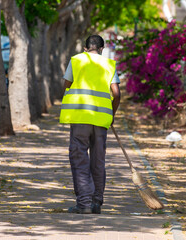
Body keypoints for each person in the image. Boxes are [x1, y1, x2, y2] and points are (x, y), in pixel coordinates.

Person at [59, 35, 121, 214]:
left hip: (80, 116)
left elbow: (66, 86)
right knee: (98, 160)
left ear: (85, 48)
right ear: (102, 49)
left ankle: (84, 203)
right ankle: (96, 203)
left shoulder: (77, 60)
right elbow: (116, 94)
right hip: (101, 120)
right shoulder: (109, 64)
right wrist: (112, 113)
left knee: (79, 158)